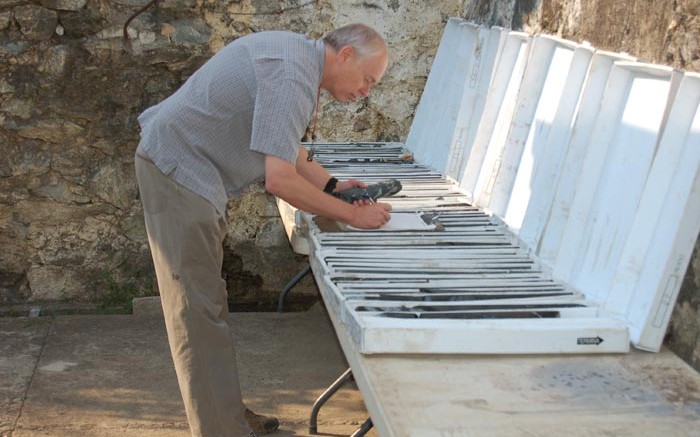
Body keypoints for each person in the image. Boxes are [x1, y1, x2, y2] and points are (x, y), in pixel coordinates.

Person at [134, 23, 392, 437]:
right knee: (196, 313)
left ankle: (226, 415)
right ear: (345, 55)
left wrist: (331, 186)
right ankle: (220, 429)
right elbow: (280, 180)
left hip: (187, 171)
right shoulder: (294, 75)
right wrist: (352, 216)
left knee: (208, 305)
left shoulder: (298, 57)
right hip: (176, 171)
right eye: (367, 80)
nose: (366, 92)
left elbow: (284, 143)